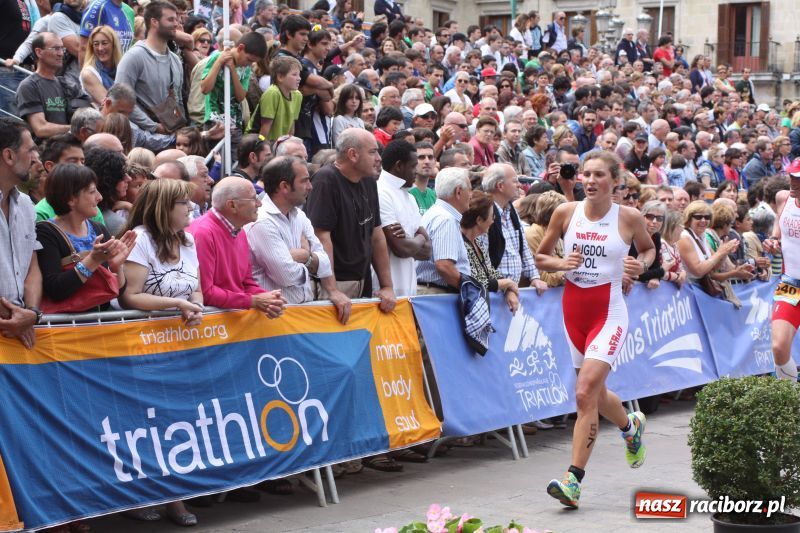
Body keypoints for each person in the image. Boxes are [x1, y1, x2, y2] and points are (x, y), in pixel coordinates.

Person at [536, 151, 655, 508]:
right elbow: (541, 257)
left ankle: (573, 481)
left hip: (609, 313)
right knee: (596, 395)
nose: (589, 180)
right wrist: (561, 262)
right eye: (586, 174)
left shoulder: (630, 218)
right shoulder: (565, 213)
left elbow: (649, 252)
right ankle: (630, 427)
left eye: (598, 175)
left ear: (614, 181)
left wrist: (639, 264)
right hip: (573, 312)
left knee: (584, 392)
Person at [246, 156, 351, 320]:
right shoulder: (262, 222)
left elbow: (326, 262)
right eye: (305, 181)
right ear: (284, 186)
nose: (310, 187)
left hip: (299, 316)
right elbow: (286, 275)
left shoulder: (299, 215)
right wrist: (312, 262)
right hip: (272, 321)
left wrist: (304, 256)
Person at [304, 128, 396, 309]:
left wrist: (387, 286)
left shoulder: (368, 180)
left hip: (363, 281)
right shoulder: (326, 180)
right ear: (353, 155)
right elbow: (321, 238)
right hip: (336, 285)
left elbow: (377, 235)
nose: (378, 158)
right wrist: (332, 290)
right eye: (372, 152)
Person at [37, 164, 136, 313]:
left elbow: (117, 292)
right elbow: (55, 290)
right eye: (92, 191)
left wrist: (117, 267)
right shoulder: (46, 232)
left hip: (100, 325)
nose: (99, 197)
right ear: (71, 199)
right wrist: (93, 260)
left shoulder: (98, 229)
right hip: (66, 330)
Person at [187, 176, 286, 316]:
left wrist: (268, 299)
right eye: (254, 199)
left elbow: (246, 282)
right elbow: (205, 292)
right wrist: (252, 301)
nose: (259, 204)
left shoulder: (239, 230)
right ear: (232, 205)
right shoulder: (203, 233)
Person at [0, 118, 43, 350]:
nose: (36, 159)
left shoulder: (27, 205)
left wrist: (31, 313)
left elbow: (32, 268)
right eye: (30, 150)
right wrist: (13, 316)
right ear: (9, 156)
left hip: (17, 335)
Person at [115, 0, 185, 134]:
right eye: (170, 19)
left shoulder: (175, 60)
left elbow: (178, 101)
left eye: (177, 19)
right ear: (154, 22)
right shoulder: (134, 57)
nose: (176, 24)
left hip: (171, 135)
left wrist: (179, 129)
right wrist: (154, 127)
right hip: (142, 138)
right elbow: (121, 100)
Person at [482, 163, 548, 293]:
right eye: (514, 181)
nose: (519, 185)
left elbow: (523, 247)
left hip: (511, 290)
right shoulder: (483, 212)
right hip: (494, 292)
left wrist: (534, 277)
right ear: (500, 186)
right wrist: (503, 286)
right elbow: (483, 259)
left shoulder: (511, 209)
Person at [764, 160, 800, 380]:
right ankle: (791, 402)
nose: (794, 182)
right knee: (778, 347)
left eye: (799, 178)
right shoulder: (783, 198)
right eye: (792, 177)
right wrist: (773, 242)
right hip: (791, 283)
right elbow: (778, 231)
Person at [460, 189, 520, 312]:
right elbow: (474, 283)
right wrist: (506, 283)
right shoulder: (460, 245)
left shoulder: (478, 243)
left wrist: (508, 288)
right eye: (492, 216)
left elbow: (491, 273)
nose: (493, 220)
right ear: (479, 220)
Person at [416, 167, 472, 294]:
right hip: (437, 294)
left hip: (434, 292)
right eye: (470, 189)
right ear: (458, 192)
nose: (471, 195)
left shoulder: (438, 213)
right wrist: (470, 289)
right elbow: (444, 266)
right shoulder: (445, 219)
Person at [16, 32, 81, 139]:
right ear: (39, 52)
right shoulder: (29, 86)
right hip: (45, 151)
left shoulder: (64, 83)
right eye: (56, 48)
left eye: (62, 49)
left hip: (68, 149)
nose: (61, 54)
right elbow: (41, 129)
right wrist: (75, 129)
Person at [201, 32, 267, 136]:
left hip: (234, 120)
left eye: (252, 62)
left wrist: (232, 70)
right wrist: (218, 63)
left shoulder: (246, 68)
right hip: (214, 118)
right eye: (249, 59)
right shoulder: (218, 57)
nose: (249, 64)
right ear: (240, 48)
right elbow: (205, 89)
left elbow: (240, 97)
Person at [249, 54, 302, 139]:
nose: (299, 78)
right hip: (258, 139)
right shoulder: (273, 93)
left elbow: (291, 126)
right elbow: (265, 126)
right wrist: (262, 147)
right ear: (280, 77)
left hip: (279, 142)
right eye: (294, 74)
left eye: (299, 75)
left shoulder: (297, 95)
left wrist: (289, 142)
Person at [80, 25, 124, 106]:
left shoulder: (122, 68)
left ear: (113, 45)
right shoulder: (88, 73)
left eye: (104, 43)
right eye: (96, 44)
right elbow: (110, 106)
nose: (100, 48)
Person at [409, 141, 436, 215]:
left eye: (430, 157)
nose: (427, 161)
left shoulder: (434, 195)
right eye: (421, 157)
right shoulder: (406, 194)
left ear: (435, 161)